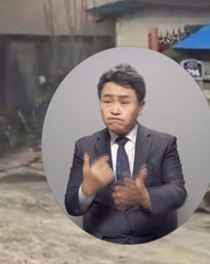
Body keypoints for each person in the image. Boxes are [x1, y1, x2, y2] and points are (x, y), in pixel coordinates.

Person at [63, 63, 188, 244]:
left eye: (124, 102)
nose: (114, 110)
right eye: (107, 101)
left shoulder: (164, 143)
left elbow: (178, 192)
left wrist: (145, 197)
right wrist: (87, 190)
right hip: (102, 243)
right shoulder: (85, 147)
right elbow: (71, 206)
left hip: (153, 241)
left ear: (140, 106)